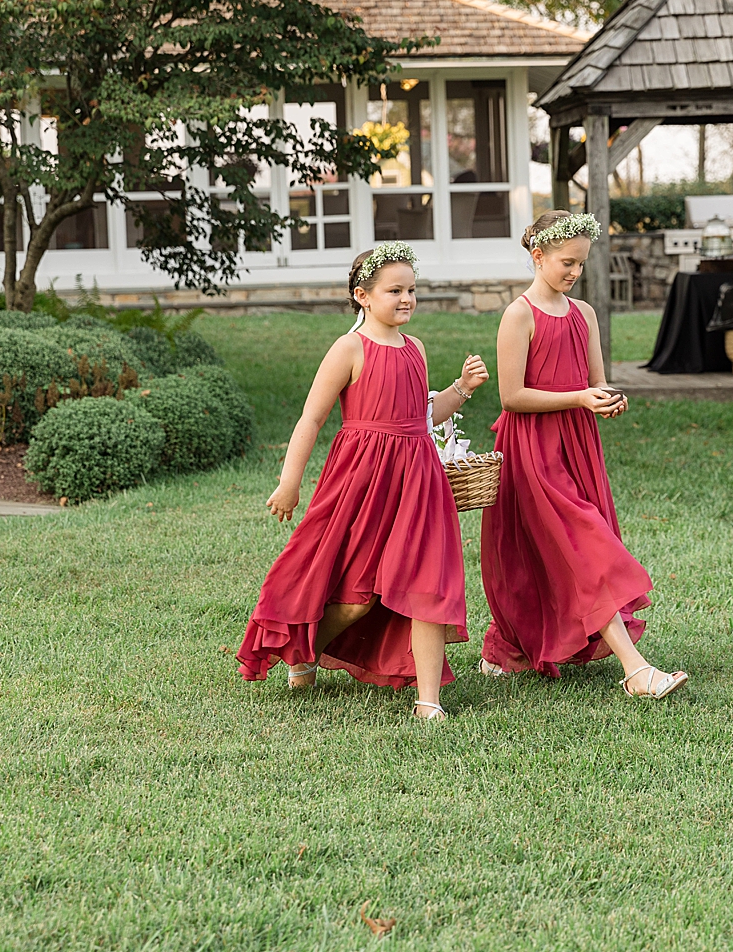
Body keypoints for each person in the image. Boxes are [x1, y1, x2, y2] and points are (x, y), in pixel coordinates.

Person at [236, 242, 490, 720]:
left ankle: (429, 701)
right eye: (394, 290)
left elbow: (422, 414)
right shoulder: (350, 348)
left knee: (427, 582)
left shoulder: (416, 348)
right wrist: (290, 482)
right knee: (357, 599)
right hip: (364, 480)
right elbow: (311, 419)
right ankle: (306, 647)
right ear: (363, 295)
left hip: (418, 481)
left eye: (412, 289)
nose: (407, 298)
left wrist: (461, 389)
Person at [479, 211, 688, 699]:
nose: (574, 272)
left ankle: (510, 647)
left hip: (576, 444)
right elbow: (512, 397)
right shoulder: (519, 315)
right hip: (532, 449)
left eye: (581, 264)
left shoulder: (585, 314)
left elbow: (595, 379)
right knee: (583, 547)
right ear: (538, 256)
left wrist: (606, 396)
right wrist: (578, 398)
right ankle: (637, 672)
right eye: (566, 262)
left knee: (564, 550)